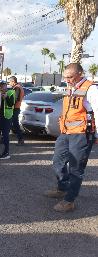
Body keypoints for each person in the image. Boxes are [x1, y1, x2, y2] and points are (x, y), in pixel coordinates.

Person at [45, 63, 98, 212]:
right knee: (57, 162)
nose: (67, 80)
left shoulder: (91, 88)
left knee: (76, 168)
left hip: (81, 134)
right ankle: (62, 188)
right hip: (66, 132)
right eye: (65, 77)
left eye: (70, 77)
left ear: (80, 74)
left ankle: (69, 200)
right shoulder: (71, 87)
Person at [0, 80, 15, 160]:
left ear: (6, 86)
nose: (2, 87)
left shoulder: (11, 92)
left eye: (3, 85)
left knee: (5, 135)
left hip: (7, 117)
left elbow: (11, 103)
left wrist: (6, 97)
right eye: (0, 85)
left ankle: (6, 153)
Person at [8, 76, 25, 146]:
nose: (9, 83)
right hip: (16, 108)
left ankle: (20, 139)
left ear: (13, 81)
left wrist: (9, 103)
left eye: (9, 82)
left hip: (15, 108)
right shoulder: (19, 87)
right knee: (14, 124)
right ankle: (20, 139)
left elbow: (16, 98)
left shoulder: (17, 88)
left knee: (15, 125)